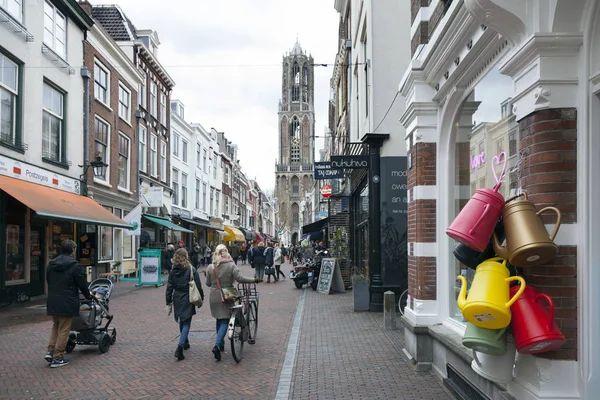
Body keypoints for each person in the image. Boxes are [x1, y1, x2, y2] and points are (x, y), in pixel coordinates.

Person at [205, 244, 258, 361]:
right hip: (227, 295)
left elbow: (208, 284)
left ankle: (221, 344)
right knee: (225, 320)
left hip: (214, 296)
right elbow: (240, 278)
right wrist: (253, 279)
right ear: (226, 252)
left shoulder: (211, 266)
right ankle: (217, 345)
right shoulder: (231, 265)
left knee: (219, 318)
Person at [45, 239, 92, 368]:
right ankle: (58, 357)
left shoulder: (51, 264)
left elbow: (48, 280)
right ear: (72, 250)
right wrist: (88, 296)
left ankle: (50, 350)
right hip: (67, 301)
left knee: (56, 325)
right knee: (64, 328)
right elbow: (81, 283)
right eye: (75, 249)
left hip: (53, 300)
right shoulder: (74, 265)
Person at [165, 248, 204, 361]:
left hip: (177, 297)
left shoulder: (173, 271)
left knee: (182, 320)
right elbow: (198, 285)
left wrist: (168, 301)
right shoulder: (191, 269)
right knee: (186, 322)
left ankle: (185, 341)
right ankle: (180, 346)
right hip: (188, 297)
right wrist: (201, 297)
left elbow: (169, 288)